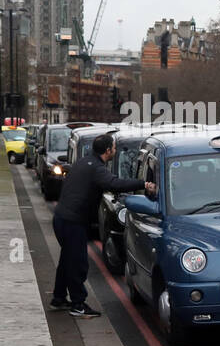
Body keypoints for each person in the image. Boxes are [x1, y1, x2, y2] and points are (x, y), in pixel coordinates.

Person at [52, 132, 155, 318]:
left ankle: (58, 298)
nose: (114, 150)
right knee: (78, 263)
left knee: (67, 260)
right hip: (72, 222)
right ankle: (78, 304)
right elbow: (114, 184)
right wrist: (143, 184)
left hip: (62, 218)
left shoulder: (84, 162)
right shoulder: (96, 168)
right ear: (108, 151)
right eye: (114, 147)